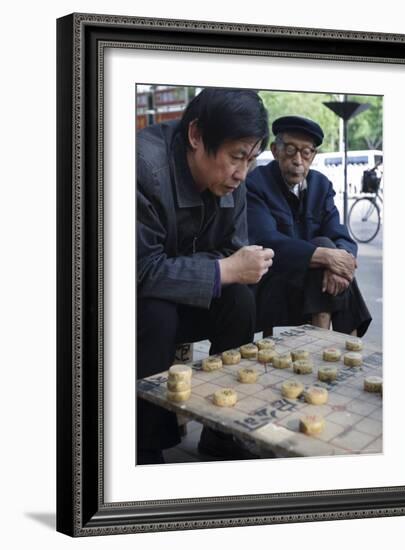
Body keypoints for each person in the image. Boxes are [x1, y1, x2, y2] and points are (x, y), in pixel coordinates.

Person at [137, 88, 273, 464]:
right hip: (128, 305)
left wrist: (225, 269)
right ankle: (141, 446)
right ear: (196, 136)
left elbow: (233, 248)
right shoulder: (141, 166)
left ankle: (221, 431)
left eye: (251, 158)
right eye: (235, 157)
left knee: (240, 298)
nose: (241, 173)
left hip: (183, 295)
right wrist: (221, 268)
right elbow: (137, 270)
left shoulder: (235, 179)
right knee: (155, 310)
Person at [246, 115, 371, 336]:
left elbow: (340, 235)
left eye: (306, 152)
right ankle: (346, 346)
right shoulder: (257, 183)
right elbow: (266, 240)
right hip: (274, 285)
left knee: (330, 255)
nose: (298, 160)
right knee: (323, 252)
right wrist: (325, 257)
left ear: (313, 156)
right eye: (291, 150)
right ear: (275, 151)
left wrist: (342, 262)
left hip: (317, 287)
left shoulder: (321, 186)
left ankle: (329, 343)